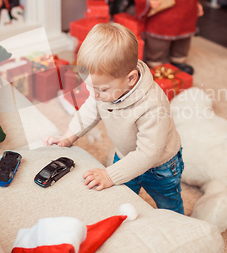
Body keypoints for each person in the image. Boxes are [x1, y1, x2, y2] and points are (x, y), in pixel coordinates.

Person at [43, 23, 184, 214]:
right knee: (121, 199)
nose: (93, 94)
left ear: (131, 79)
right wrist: (69, 136)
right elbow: (89, 111)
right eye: (88, 86)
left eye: (101, 89)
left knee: (169, 205)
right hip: (124, 155)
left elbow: (147, 154)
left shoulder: (153, 106)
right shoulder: (105, 90)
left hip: (160, 167)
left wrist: (110, 175)